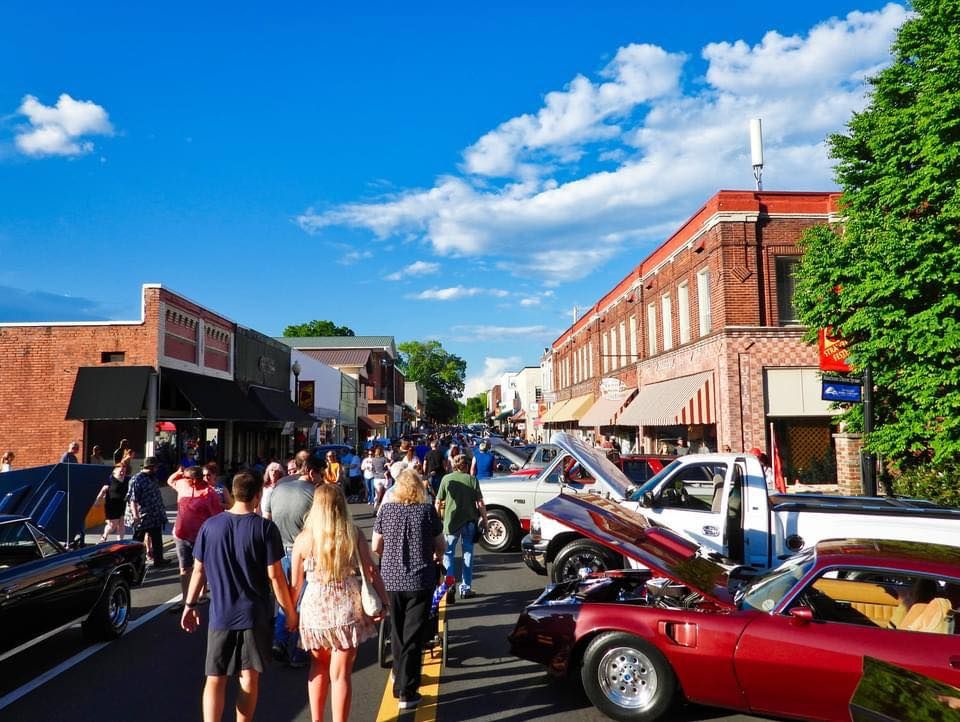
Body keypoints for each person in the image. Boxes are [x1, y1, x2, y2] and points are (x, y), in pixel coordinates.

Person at [180, 472, 298, 722]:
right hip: (254, 615)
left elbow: (198, 570)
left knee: (215, 678)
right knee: (248, 677)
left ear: (233, 493)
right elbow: (276, 576)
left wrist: (189, 605)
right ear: (258, 496)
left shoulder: (210, 526)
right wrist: (289, 611)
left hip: (220, 615)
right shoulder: (265, 528)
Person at [291, 485, 387, 722]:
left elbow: (295, 584)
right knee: (341, 675)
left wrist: (291, 614)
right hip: (346, 608)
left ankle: (316, 720)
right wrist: (384, 601)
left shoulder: (303, 539)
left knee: (318, 668)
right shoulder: (352, 534)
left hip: (315, 611)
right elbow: (371, 571)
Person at [372, 469, 445, 711]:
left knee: (397, 629)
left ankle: (397, 673)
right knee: (414, 635)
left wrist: (392, 556)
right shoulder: (426, 511)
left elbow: (376, 545)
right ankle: (407, 690)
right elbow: (440, 544)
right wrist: (437, 556)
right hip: (419, 579)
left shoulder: (386, 510)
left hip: (391, 579)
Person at [262, 454, 322, 667]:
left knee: (283, 599)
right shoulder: (314, 493)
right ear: (312, 472)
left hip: (278, 549)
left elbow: (266, 518)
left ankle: (279, 640)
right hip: (303, 552)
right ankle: (297, 650)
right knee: (301, 601)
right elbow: (319, 528)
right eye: (320, 475)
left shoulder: (278, 489)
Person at [170, 466, 224, 610]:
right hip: (181, 535)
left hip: (201, 537)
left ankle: (201, 594)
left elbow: (217, 516)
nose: (182, 480)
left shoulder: (209, 493)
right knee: (184, 568)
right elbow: (170, 481)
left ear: (194, 480)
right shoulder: (182, 484)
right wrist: (178, 473)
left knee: (199, 567)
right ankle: (185, 598)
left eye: (186, 478)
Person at [436, 454, 488, 599]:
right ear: (466, 465)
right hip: (469, 522)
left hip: (451, 522)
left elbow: (438, 501)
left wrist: (435, 520)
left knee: (449, 554)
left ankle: (450, 583)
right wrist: (485, 520)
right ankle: (466, 588)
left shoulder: (446, 479)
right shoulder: (472, 480)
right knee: (468, 554)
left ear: (454, 465)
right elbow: (480, 503)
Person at [125, 456, 170, 567]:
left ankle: (159, 561)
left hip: (154, 516)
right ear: (151, 467)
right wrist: (136, 516)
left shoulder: (153, 478)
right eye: (156, 467)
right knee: (138, 543)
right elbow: (133, 500)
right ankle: (134, 564)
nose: (157, 469)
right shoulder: (137, 479)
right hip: (142, 517)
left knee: (157, 540)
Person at [95, 461, 130, 542]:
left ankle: (120, 541)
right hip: (111, 505)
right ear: (115, 471)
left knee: (121, 524)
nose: (122, 473)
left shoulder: (127, 479)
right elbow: (103, 490)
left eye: (124, 471)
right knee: (112, 526)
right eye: (121, 471)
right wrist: (98, 500)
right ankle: (104, 536)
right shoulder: (110, 479)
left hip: (122, 504)